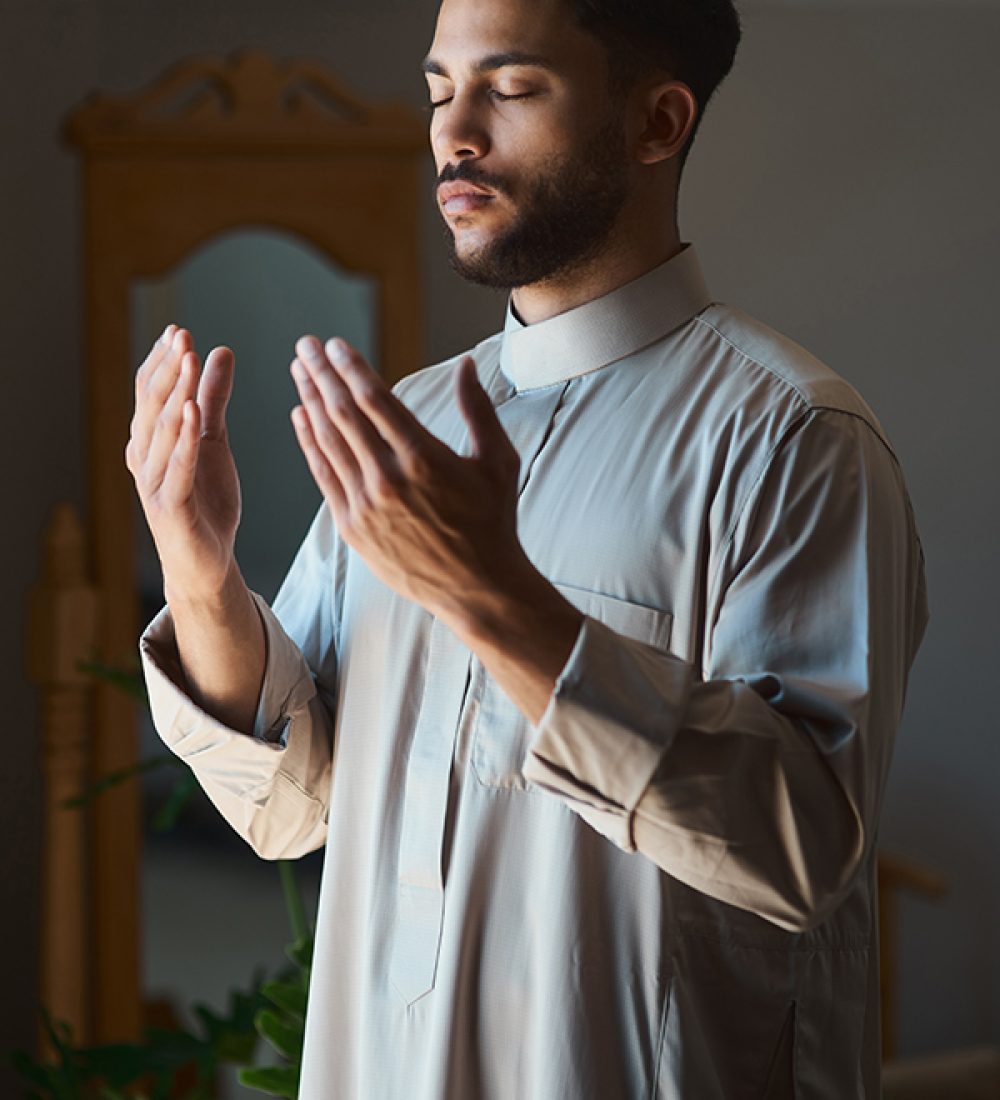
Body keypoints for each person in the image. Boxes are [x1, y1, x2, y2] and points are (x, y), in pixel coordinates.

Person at [129, 0, 929, 1095]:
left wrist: (493, 596)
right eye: (435, 91)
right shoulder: (407, 427)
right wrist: (198, 563)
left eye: (507, 89)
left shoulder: (792, 436)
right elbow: (293, 803)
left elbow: (798, 846)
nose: (453, 131)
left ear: (656, 122)